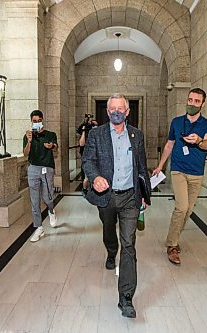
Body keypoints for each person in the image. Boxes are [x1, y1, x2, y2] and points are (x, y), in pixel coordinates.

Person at [82, 93, 151, 319]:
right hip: (107, 197)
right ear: (108, 111)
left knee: (129, 244)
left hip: (130, 197)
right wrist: (94, 177)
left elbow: (142, 166)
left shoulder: (137, 135)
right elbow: (88, 161)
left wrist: (144, 195)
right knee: (109, 230)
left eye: (120, 108)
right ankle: (111, 251)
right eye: (112, 108)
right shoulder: (96, 134)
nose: (116, 111)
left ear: (127, 111)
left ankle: (126, 297)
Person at [152, 88, 207, 265]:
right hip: (178, 169)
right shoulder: (177, 122)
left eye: (197, 101)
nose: (192, 103)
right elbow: (169, 145)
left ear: (203, 104)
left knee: (188, 210)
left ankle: (174, 238)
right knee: (182, 206)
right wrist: (160, 166)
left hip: (197, 173)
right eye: (190, 100)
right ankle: (172, 245)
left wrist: (198, 141)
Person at [23, 110, 58, 242]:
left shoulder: (50, 134)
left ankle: (51, 210)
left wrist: (52, 145)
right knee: (34, 200)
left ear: (42, 120)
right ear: (31, 121)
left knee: (47, 197)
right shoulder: (28, 136)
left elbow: (56, 148)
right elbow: (26, 153)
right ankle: (39, 228)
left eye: (39, 121)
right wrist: (30, 141)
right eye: (34, 121)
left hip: (47, 168)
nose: (36, 123)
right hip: (33, 168)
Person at [77, 115, 98, 194]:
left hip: (96, 157)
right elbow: (81, 144)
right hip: (86, 156)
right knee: (86, 176)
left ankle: (93, 189)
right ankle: (85, 189)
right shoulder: (85, 131)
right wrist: (84, 130)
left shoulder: (97, 133)